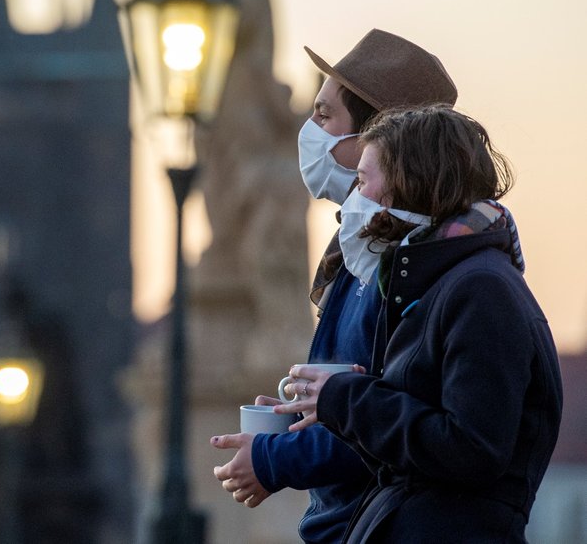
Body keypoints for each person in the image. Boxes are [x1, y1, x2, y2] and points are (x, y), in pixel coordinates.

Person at [211, 29, 458, 543]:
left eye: (323, 117)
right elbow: (345, 401)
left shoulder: (410, 268)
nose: (307, 132)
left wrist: (273, 459)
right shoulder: (356, 253)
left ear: (373, 142)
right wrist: (284, 423)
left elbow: (383, 424)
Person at [277, 106, 562, 542]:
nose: (352, 199)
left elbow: (472, 449)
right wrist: (333, 409)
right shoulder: (440, 283)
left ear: (409, 183)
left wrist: (349, 401)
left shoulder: (480, 289)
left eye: (364, 180)